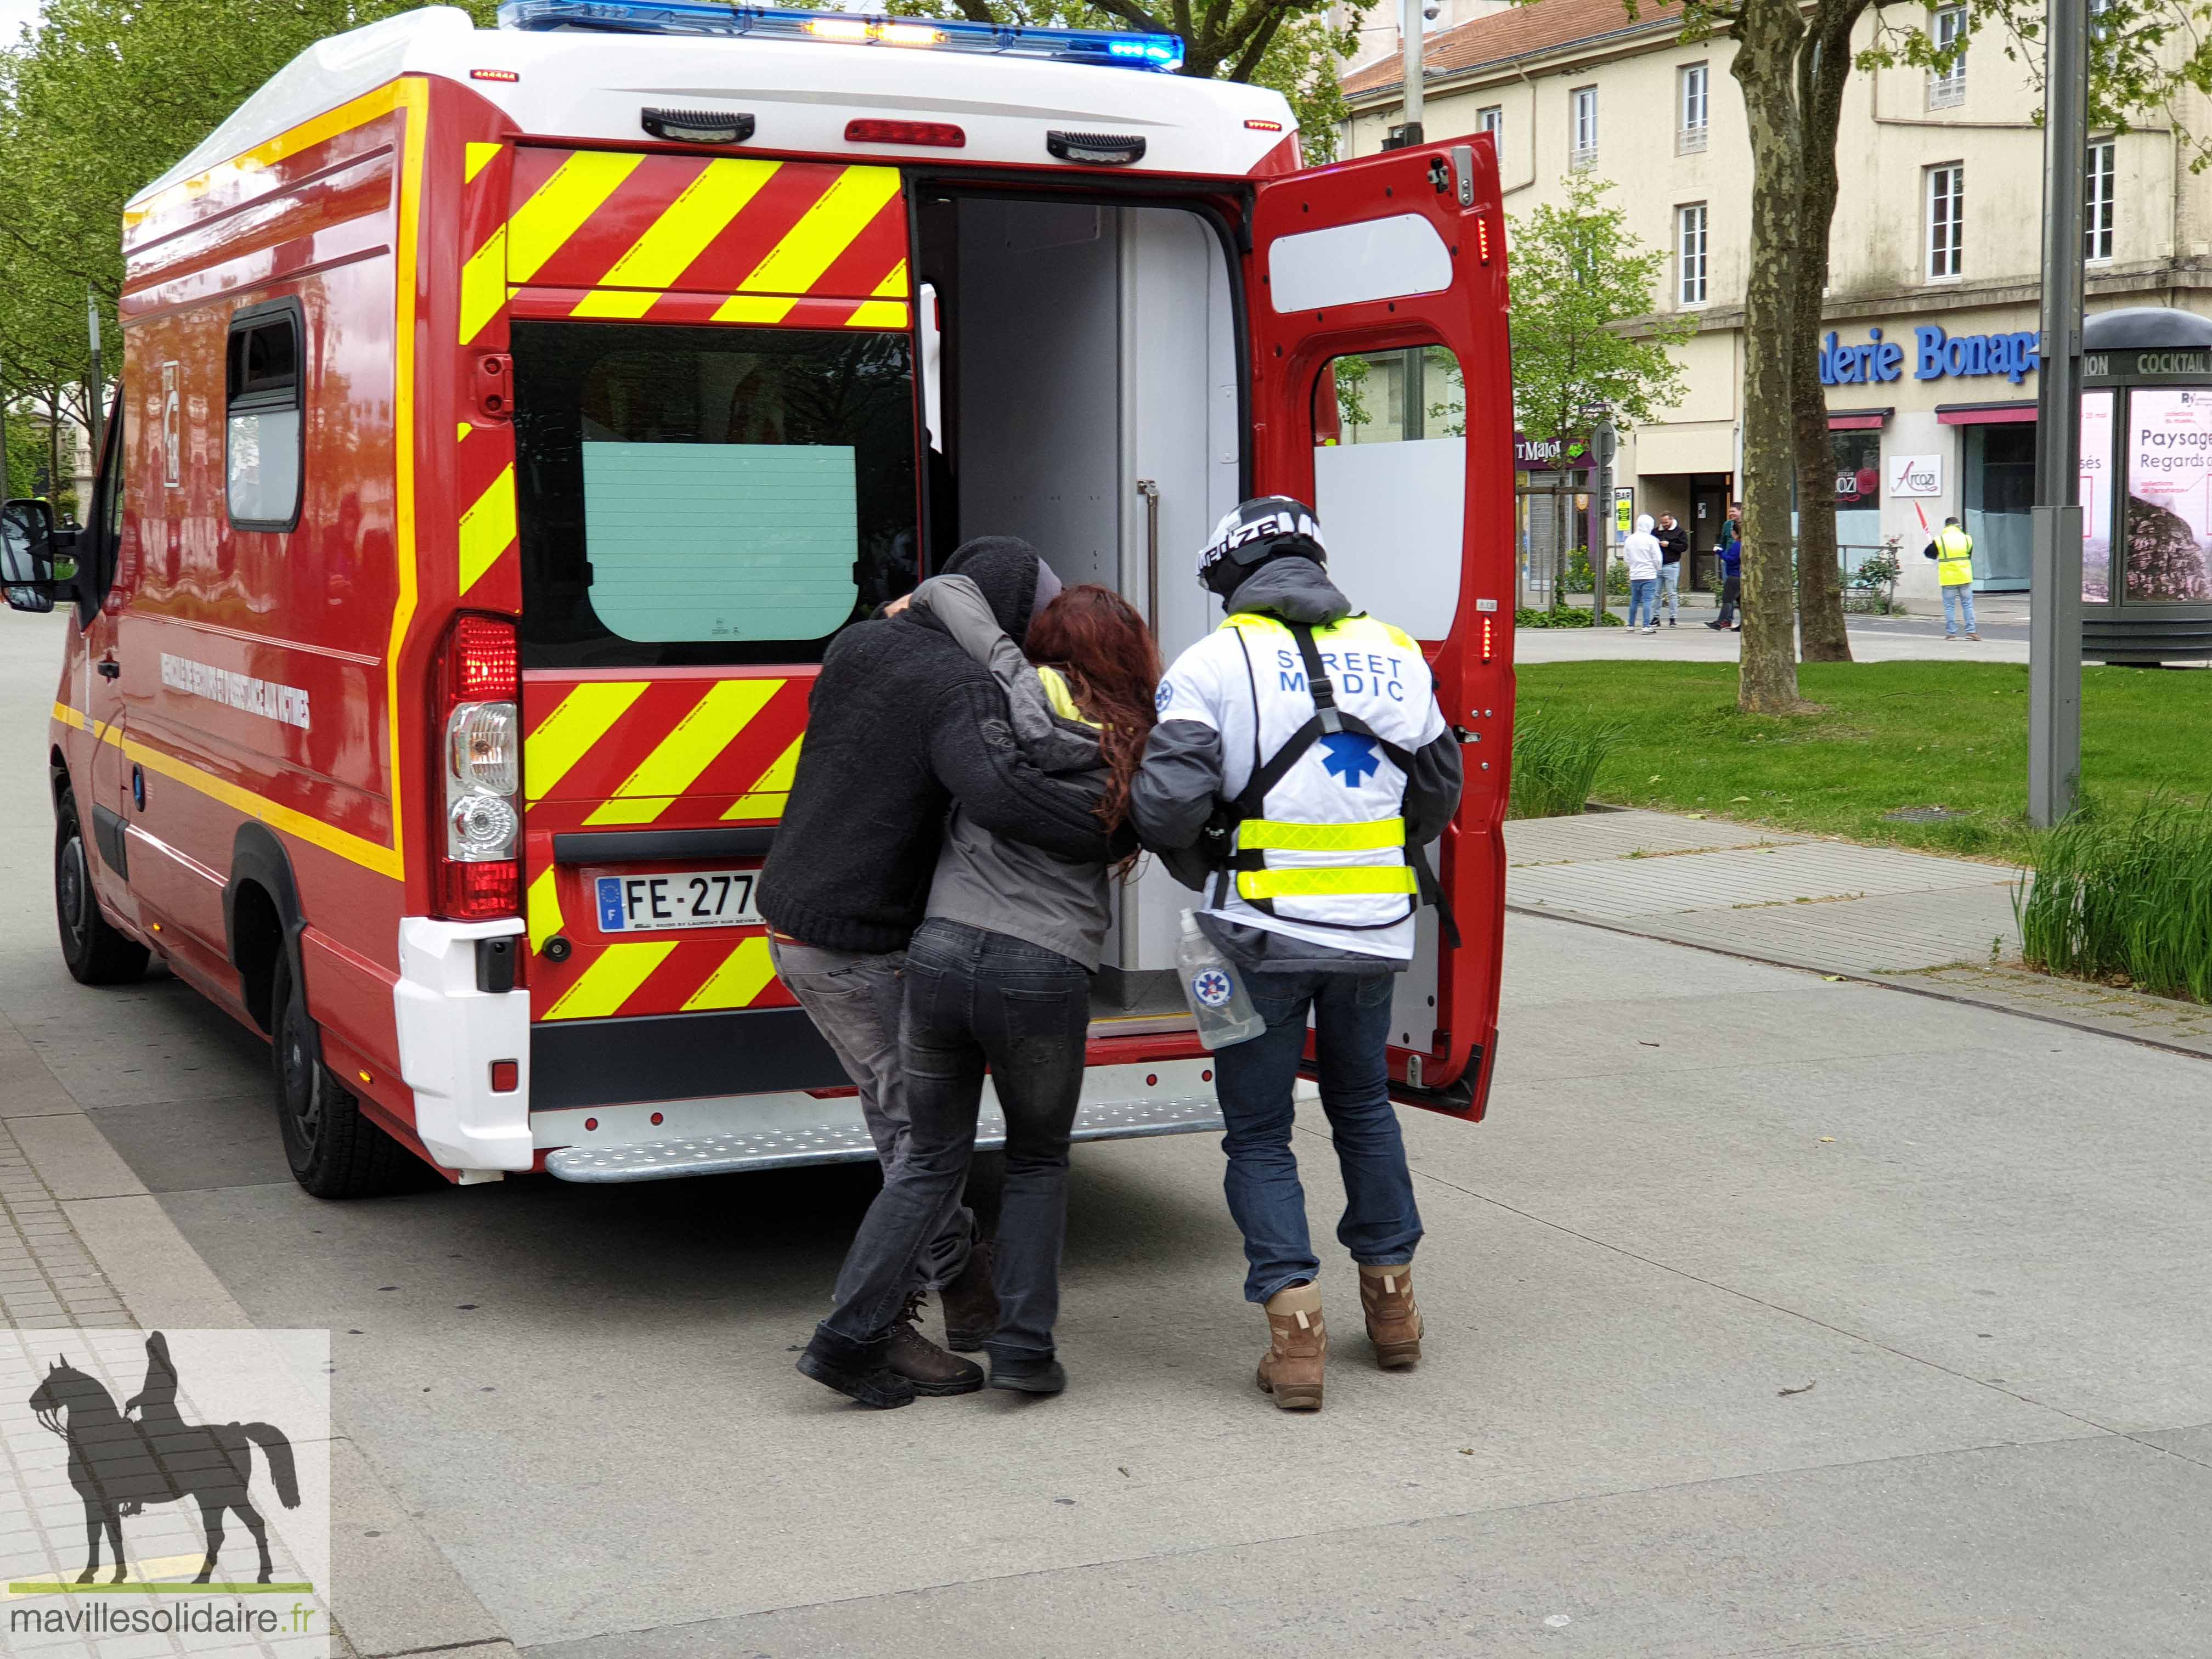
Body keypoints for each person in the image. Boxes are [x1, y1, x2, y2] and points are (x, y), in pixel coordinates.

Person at [1132, 498, 1464, 1413]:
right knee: (1362, 1102)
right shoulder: (1396, 651)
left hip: (1257, 932)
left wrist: (1214, 856)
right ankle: (1392, 1306)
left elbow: (1163, 807)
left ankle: (1296, 1329)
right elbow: (1439, 788)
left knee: (1259, 1130)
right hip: (1372, 933)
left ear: (1228, 576)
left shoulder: (1211, 662)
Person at [760, 538, 1112, 1398]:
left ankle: (969, 1298)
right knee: (919, 1144)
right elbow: (1000, 794)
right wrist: (1118, 817)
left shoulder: (861, 643)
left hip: (805, 922)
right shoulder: (955, 684)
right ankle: (874, 1330)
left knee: (914, 1132)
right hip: (856, 943)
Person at [1925, 514, 1979, 640]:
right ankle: (1971, 631)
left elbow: (1929, 554)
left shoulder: (1940, 540)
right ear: (1958, 526)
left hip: (1948, 578)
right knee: (1968, 605)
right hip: (1965, 576)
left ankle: (1951, 633)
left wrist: (1937, 553)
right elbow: (1969, 555)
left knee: (1950, 606)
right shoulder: (1967, 539)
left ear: (1946, 526)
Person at [1622, 514, 1664, 634]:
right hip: (1649, 574)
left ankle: (1631, 624)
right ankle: (1646, 625)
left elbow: (1627, 558)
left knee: (1635, 601)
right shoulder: (1651, 540)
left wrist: (1633, 566)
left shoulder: (1630, 539)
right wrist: (1657, 568)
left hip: (1635, 574)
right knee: (1647, 601)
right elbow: (1657, 558)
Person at [1707, 505, 1743, 631]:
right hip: (1739, 574)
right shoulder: (1742, 543)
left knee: (1727, 599)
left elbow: (1732, 559)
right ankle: (1743, 623)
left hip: (1734, 575)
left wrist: (1721, 553)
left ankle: (1721, 621)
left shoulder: (1737, 545)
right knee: (1740, 600)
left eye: (1733, 511)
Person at [1653, 512, 1689, 627]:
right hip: (1658, 566)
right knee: (1656, 593)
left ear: (1672, 520)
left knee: (1672, 593)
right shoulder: (1656, 532)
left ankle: (1673, 618)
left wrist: (1669, 545)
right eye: (1662, 522)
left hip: (1672, 565)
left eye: (1666, 522)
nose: (1664, 525)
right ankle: (1656, 618)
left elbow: (1684, 547)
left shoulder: (1679, 532)